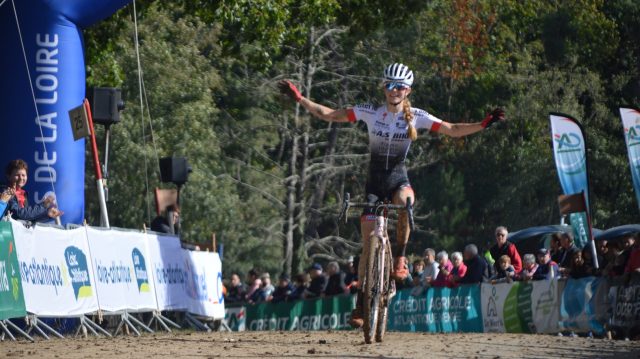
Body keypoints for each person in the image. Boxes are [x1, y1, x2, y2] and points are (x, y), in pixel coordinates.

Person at [279, 63, 505, 328]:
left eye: (399, 86)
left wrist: (484, 124)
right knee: (367, 246)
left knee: (406, 202)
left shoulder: (417, 116)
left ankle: (400, 255)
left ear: (408, 90)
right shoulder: (370, 112)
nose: (393, 90)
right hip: (374, 184)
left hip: (398, 179)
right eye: (388, 85)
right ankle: (362, 303)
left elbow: (452, 129)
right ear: (382, 87)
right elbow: (329, 114)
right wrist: (300, 98)